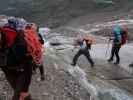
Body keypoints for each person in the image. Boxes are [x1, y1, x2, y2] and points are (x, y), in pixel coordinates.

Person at [0, 21, 33, 100]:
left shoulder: (18, 43)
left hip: (22, 71)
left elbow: (28, 65)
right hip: (9, 72)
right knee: (21, 94)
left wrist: (25, 89)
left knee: (17, 96)